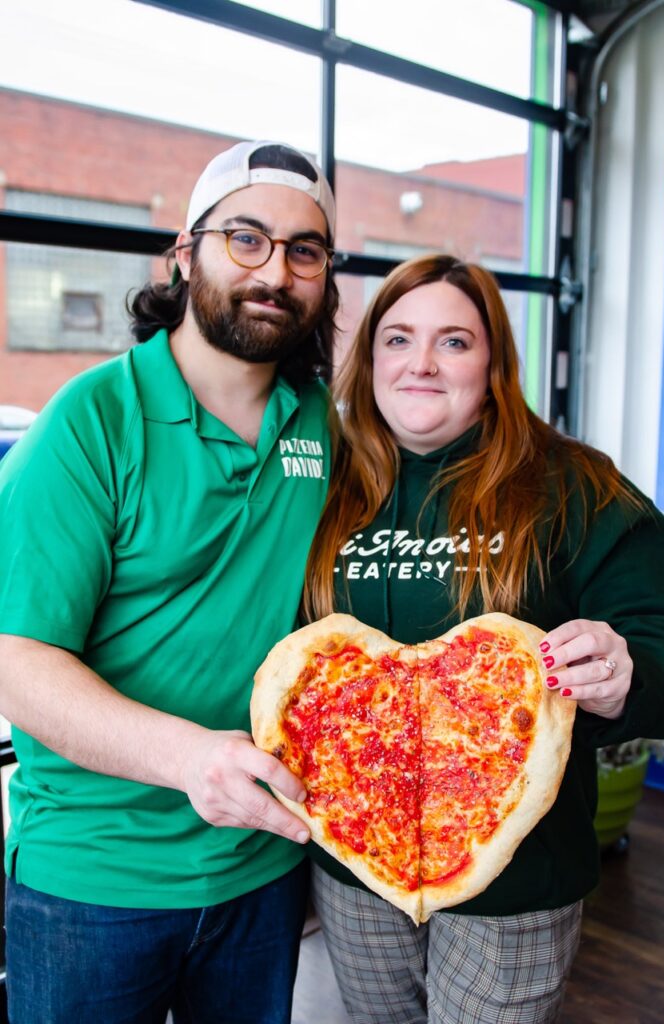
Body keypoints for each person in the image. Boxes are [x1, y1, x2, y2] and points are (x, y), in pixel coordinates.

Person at [0, 140, 339, 1024]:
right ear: (185, 255)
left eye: (305, 250)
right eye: (247, 238)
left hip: (262, 865)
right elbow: (16, 658)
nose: (277, 270)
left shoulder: (325, 431)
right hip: (92, 883)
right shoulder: (90, 421)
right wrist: (191, 758)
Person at [303, 253, 664, 1024]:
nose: (422, 365)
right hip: (356, 860)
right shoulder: (323, 485)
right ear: (369, 358)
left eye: (455, 342)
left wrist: (629, 669)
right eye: (398, 339)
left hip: (516, 872)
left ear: (494, 361)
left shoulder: (572, 483)